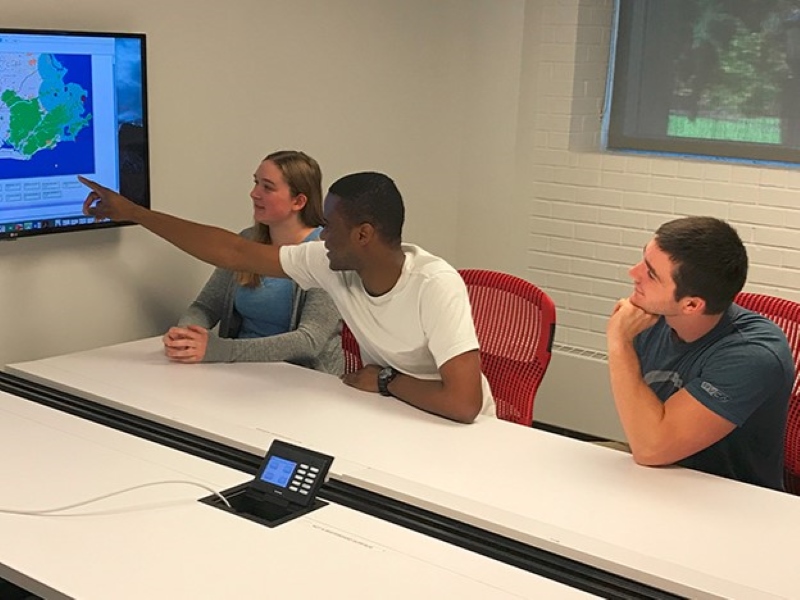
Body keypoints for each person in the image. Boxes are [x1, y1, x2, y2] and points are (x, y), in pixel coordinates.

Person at [80, 171, 494, 424]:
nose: (321, 235)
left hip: (456, 428)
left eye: (329, 226)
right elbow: (235, 252)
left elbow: (463, 403)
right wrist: (136, 213)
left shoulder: (435, 284)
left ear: (363, 235)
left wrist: (387, 381)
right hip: (393, 410)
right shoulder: (330, 262)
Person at [606, 216, 793, 490]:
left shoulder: (753, 354)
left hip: (729, 500)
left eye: (651, 273)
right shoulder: (649, 319)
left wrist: (619, 343)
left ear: (691, 305)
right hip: (661, 479)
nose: (633, 273)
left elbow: (650, 447)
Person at [162, 151, 343, 375]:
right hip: (242, 371)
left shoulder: (326, 254)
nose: (254, 193)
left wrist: (222, 350)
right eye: (256, 183)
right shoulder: (246, 241)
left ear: (298, 201)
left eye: (267, 187)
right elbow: (206, 307)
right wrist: (186, 334)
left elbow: (309, 341)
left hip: (304, 379)